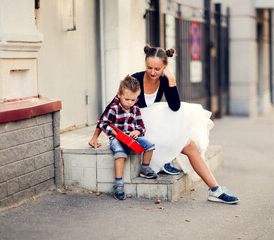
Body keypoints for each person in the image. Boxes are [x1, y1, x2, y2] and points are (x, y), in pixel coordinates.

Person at [90, 45, 239, 204]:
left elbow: (175, 106)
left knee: (190, 145)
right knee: (184, 142)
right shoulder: (136, 79)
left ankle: (215, 190)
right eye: (149, 68)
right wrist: (95, 136)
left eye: (157, 68)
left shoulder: (164, 80)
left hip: (153, 123)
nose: (153, 72)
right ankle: (170, 160)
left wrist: (171, 79)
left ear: (165, 66)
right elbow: (111, 108)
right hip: (137, 125)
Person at [99, 75, 157, 200]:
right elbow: (103, 123)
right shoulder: (114, 108)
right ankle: (118, 183)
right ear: (119, 94)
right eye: (127, 99)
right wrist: (114, 133)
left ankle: (145, 168)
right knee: (120, 154)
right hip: (117, 139)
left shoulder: (135, 109)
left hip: (132, 138)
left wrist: (137, 131)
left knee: (150, 145)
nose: (130, 103)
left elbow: (142, 127)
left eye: (133, 100)